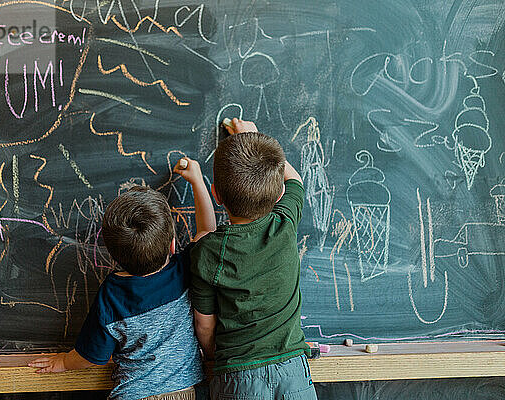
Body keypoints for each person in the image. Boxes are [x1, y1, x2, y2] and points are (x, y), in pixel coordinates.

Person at [29, 158, 216, 400]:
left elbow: (91, 356)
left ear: (112, 253)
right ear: (172, 245)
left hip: (132, 395)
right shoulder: (184, 269)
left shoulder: (113, 294)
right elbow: (208, 234)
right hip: (183, 393)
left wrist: (64, 362)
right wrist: (197, 182)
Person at [190, 118, 318, 399]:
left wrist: (217, 356)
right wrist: (254, 137)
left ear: (216, 194)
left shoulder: (206, 253)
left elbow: (204, 326)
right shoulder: (285, 224)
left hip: (237, 377)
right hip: (293, 372)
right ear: (280, 194)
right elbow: (294, 179)